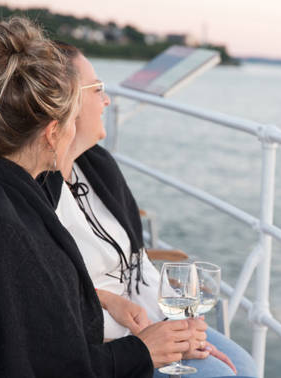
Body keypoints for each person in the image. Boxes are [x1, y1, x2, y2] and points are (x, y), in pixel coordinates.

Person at [0, 17, 192, 377]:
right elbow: (52, 365)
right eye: (71, 123)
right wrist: (142, 351)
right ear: (52, 134)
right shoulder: (0, 222)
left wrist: (104, 300)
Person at [42, 41, 257, 378]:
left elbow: (138, 261)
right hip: (105, 342)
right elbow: (46, 292)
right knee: (222, 375)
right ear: (64, 102)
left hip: (147, 320)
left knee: (245, 367)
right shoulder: (34, 188)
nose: (107, 100)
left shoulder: (97, 166)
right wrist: (157, 336)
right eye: (97, 88)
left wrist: (180, 321)